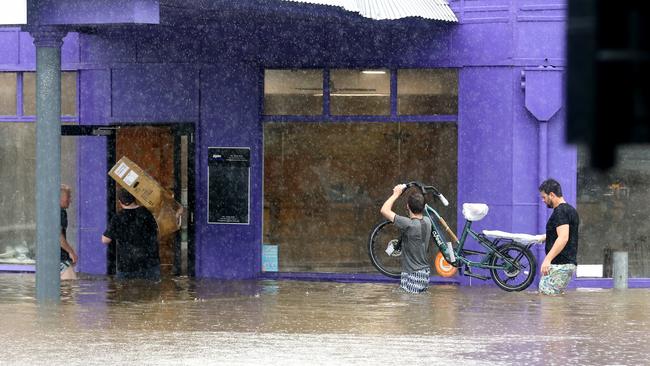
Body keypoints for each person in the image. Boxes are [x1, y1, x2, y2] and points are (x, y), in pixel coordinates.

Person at [380, 184, 432, 293]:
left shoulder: (408, 224)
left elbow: (384, 210)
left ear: (407, 206)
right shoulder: (428, 221)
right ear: (423, 207)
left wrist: (396, 194)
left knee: (410, 306)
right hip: (425, 274)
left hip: (412, 274)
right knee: (418, 305)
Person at [101, 189, 160, 281]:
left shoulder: (117, 218)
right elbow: (157, 230)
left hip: (127, 264)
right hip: (149, 262)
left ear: (120, 202)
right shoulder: (145, 213)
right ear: (135, 198)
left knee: (125, 292)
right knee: (151, 292)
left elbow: (105, 240)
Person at [537, 179, 580, 295]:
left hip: (560, 265)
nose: (543, 200)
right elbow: (565, 234)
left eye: (544, 197)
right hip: (566, 264)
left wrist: (547, 259)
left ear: (552, 194)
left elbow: (563, 237)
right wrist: (546, 237)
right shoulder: (570, 210)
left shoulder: (560, 211)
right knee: (553, 301)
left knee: (548, 299)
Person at [60, 184, 78, 280]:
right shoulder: (60, 212)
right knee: (70, 287)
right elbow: (58, 236)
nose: (70, 200)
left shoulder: (48, 210)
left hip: (48, 258)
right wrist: (71, 252)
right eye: (68, 197)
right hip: (60, 258)